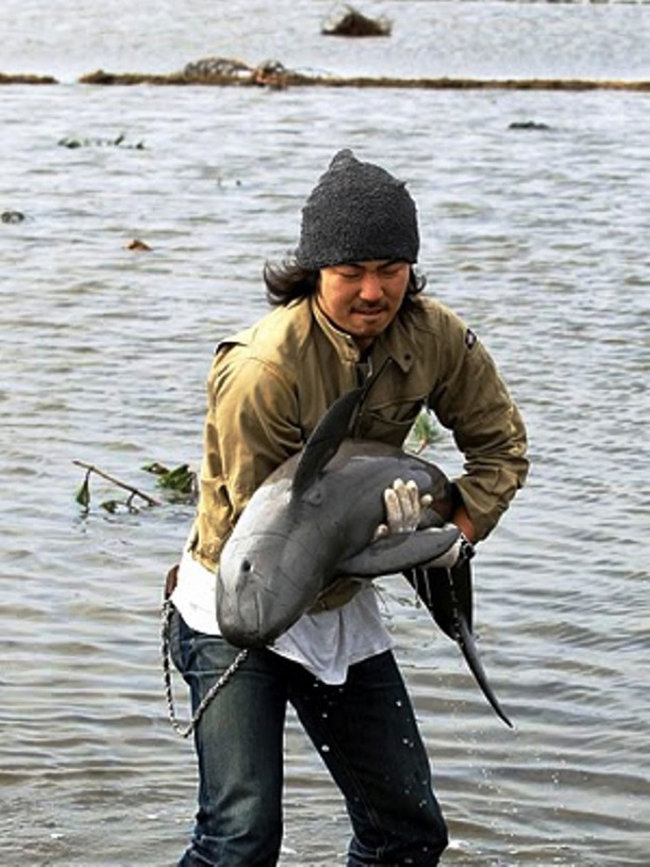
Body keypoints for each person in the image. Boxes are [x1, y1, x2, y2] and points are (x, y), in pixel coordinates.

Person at [167, 149, 529, 866]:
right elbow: (268, 538)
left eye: (389, 269)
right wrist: (374, 546)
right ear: (313, 273)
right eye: (349, 273)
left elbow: (501, 450)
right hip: (241, 599)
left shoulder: (436, 337)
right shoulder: (262, 370)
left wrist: (448, 537)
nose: (372, 291)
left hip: (340, 606)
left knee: (407, 832)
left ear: (411, 269)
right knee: (239, 838)